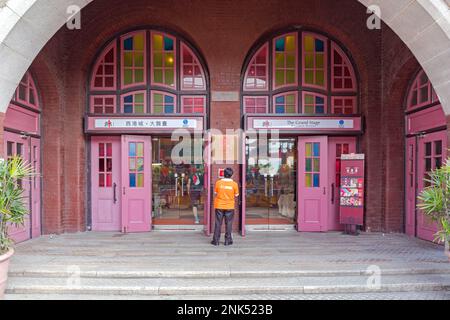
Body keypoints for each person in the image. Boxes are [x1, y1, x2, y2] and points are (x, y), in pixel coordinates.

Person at [211, 168, 239, 246]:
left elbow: (215, 193)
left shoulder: (218, 183)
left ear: (223, 174)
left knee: (218, 223)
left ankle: (216, 241)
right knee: (229, 224)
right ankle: (228, 241)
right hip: (230, 206)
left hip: (219, 205)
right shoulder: (234, 184)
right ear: (232, 175)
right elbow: (236, 195)